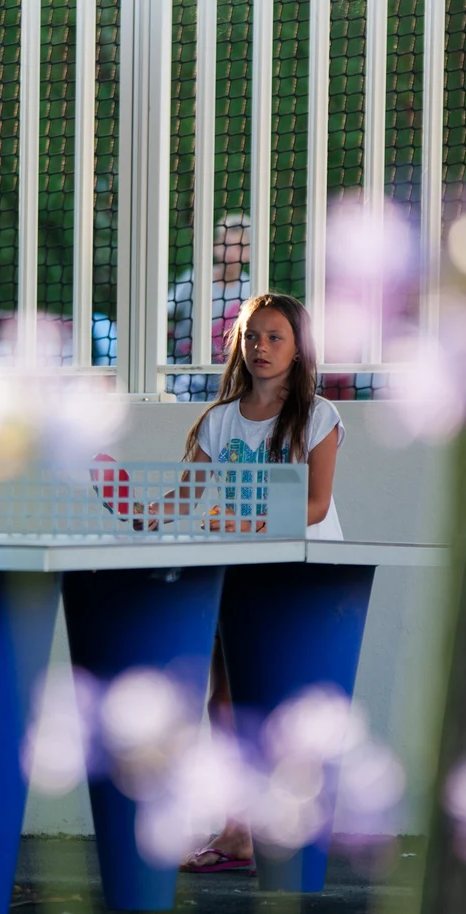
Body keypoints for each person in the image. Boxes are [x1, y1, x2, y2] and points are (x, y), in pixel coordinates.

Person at [154, 293, 343, 873]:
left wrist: (245, 523)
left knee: (289, 701)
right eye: (252, 336)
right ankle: (238, 831)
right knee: (226, 700)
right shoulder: (219, 419)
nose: (260, 347)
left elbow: (315, 506)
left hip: (302, 574)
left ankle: (295, 830)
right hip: (235, 571)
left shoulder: (319, 416)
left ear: (298, 347)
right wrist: (140, 513)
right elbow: (184, 499)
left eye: (275, 336)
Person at [167, 213, 253, 403]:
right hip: (185, 363)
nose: (231, 252)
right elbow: (167, 311)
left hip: (227, 368)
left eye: (239, 247)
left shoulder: (250, 289)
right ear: (216, 246)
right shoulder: (195, 278)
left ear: (249, 253)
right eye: (226, 245)